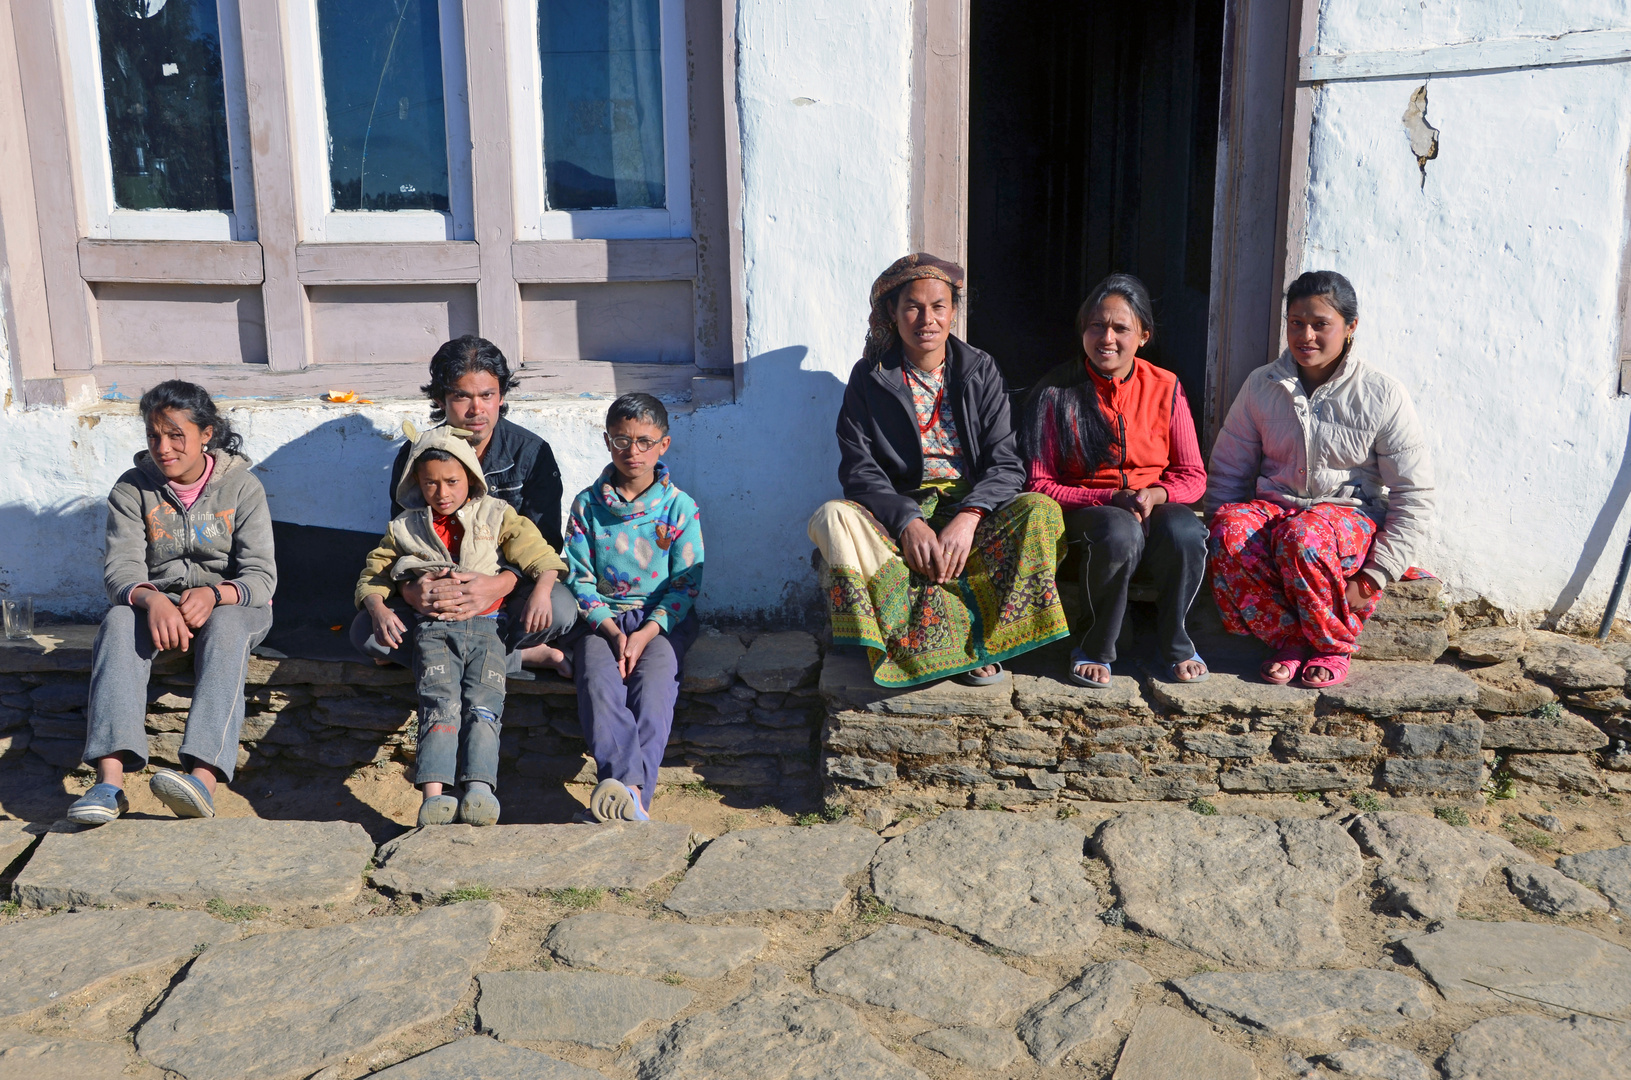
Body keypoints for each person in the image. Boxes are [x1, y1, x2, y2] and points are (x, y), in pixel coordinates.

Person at [809, 252, 1069, 688]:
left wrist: (971, 516)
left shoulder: (979, 370)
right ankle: (914, 644)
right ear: (892, 312)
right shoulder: (870, 377)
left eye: (938, 306)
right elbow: (859, 468)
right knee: (832, 518)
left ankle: (984, 640)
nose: (926, 319)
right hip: (898, 514)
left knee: (1040, 510)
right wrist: (907, 520)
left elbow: (1006, 462)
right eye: (913, 306)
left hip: (971, 507)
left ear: (953, 312)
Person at [1206, 270, 1434, 689]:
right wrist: (1223, 539)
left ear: (1350, 327)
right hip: (1278, 509)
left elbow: (1413, 493)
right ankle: (1290, 639)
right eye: (1296, 323)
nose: (1305, 335)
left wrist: (1376, 574)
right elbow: (1229, 471)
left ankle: (1332, 645)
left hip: (1347, 518)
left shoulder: (1381, 393)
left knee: (1302, 535)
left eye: (1320, 324)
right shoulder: (1263, 384)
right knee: (1227, 529)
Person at [67, 381, 276, 824]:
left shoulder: (243, 487)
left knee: (226, 629)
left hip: (231, 606)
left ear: (206, 433)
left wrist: (216, 593)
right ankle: (109, 784)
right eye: (153, 436)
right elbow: (120, 572)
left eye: (176, 435)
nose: (163, 448)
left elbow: (261, 576)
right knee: (119, 622)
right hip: (160, 604)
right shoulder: (132, 489)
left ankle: (201, 779)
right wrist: (150, 599)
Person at [355, 422, 569, 827]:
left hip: (487, 628)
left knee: (484, 708)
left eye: (452, 481)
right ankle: (434, 796)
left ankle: (479, 790)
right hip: (432, 633)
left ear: (470, 476)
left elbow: (540, 554)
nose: (442, 492)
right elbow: (374, 573)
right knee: (439, 705)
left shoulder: (497, 515)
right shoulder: (405, 526)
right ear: (417, 483)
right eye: (430, 483)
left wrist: (541, 590)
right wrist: (380, 608)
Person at [349, 335, 576, 676]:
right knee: (366, 632)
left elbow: (546, 544)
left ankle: (444, 655)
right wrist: (413, 591)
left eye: (488, 395)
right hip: (437, 593)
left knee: (559, 609)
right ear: (440, 399)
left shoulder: (529, 453)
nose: (476, 410)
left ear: (501, 395)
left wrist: (496, 585)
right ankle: (518, 657)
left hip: (503, 594)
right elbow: (402, 537)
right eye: (461, 397)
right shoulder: (418, 455)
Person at [1023, 274, 1209, 687]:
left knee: (1185, 530)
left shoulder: (1166, 386)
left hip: (1151, 503)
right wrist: (1111, 496)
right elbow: (1039, 483)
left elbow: (1193, 476)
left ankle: (1176, 644)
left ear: (1143, 335)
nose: (1106, 338)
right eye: (1096, 326)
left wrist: (1156, 493)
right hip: (1089, 511)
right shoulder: (1056, 392)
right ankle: (1094, 648)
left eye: (1120, 328)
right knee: (1119, 530)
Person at [564, 393, 703, 823]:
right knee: (597, 681)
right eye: (622, 441)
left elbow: (686, 582)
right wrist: (609, 629)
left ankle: (632, 795)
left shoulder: (679, 507)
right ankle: (627, 787)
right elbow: (578, 575)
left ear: (664, 445)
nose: (633, 452)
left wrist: (646, 632)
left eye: (645, 441)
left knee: (657, 686)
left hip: (662, 621)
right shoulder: (587, 506)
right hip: (601, 619)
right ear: (607, 442)